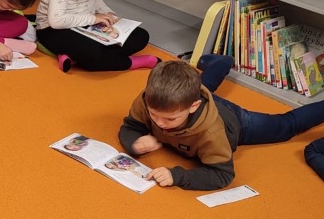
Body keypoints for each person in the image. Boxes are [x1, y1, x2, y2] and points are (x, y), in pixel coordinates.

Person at [118, 54, 324, 190]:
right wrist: (133, 142)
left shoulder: (212, 133)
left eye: (169, 118)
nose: (159, 123)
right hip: (195, 102)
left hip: (236, 121)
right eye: (154, 115)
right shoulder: (149, 99)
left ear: (193, 107)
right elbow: (130, 126)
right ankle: (222, 62)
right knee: (202, 86)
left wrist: (178, 177)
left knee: (285, 127)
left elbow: (222, 174)